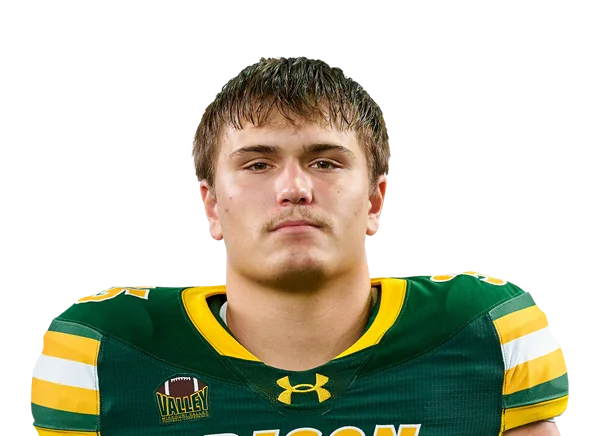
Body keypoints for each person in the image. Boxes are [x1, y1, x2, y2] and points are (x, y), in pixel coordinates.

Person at [30, 55, 568, 435]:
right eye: (257, 164)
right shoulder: (107, 350)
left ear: (375, 201)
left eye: (325, 161)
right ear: (211, 205)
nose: (294, 188)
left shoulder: (484, 331)